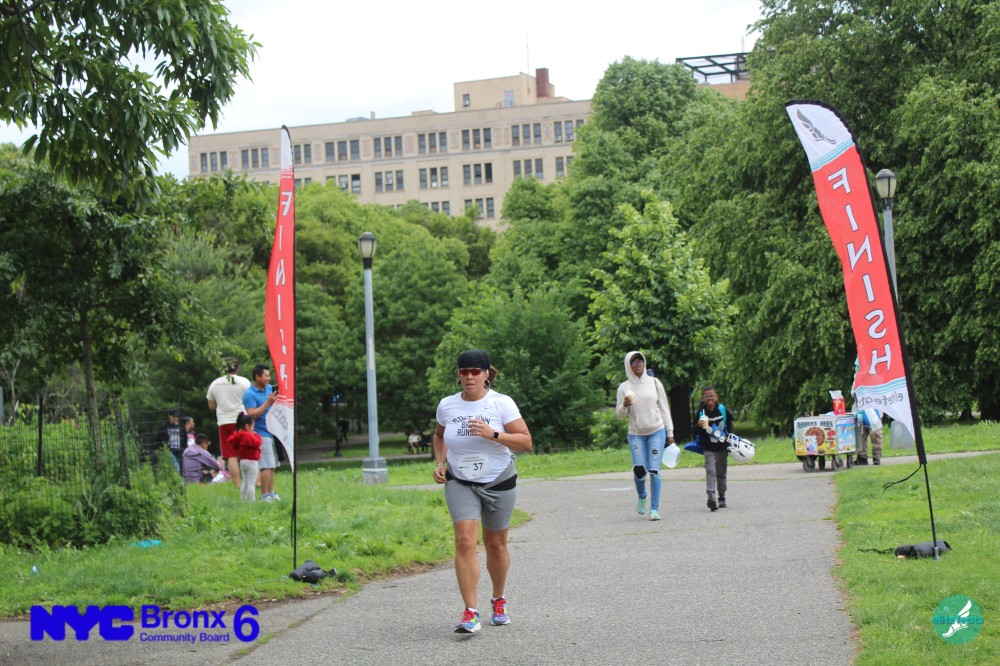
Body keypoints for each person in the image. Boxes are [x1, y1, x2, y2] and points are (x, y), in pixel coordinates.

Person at [432, 349, 532, 634]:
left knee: (496, 544)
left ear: (486, 373)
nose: (470, 377)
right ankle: (470, 612)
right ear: (458, 374)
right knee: (465, 540)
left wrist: (493, 434)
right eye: (464, 372)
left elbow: (526, 442)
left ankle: (498, 600)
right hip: (460, 481)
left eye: (475, 371)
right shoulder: (447, 405)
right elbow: (439, 435)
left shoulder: (501, 403)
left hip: (498, 480)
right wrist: (440, 462)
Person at [614, 351, 675, 521]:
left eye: (640, 360)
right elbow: (619, 415)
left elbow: (664, 408)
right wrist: (624, 405)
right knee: (640, 470)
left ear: (644, 362)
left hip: (656, 431)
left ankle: (654, 509)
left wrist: (669, 432)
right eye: (634, 362)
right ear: (628, 366)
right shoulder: (624, 388)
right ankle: (642, 496)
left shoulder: (654, 383)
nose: (638, 364)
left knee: (654, 470)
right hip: (636, 435)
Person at [206, 357, 251, 488]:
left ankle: (237, 485)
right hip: (242, 420)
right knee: (247, 452)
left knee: (231, 455)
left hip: (224, 422)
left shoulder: (215, 384)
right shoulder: (244, 382)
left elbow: (211, 406)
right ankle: (251, 481)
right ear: (237, 368)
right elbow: (250, 400)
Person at [692, 386, 733, 511]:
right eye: (706, 396)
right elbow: (693, 431)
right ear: (703, 399)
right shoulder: (701, 413)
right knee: (710, 472)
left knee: (721, 474)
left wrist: (730, 436)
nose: (709, 398)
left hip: (722, 446)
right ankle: (711, 498)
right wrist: (698, 426)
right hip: (708, 448)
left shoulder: (722, 409)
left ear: (716, 397)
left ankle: (722, 497)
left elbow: (729, 423)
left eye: (711, 395)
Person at [243, 364, 281, 501]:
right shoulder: (249, 394)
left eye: (269, 376)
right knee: (266, 465)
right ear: (257, 377)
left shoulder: (269, 389)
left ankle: (271, 493)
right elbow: (251, 414)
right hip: (261, 433)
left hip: (272, 432)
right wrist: (267, 403)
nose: (269, 379)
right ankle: (264, 495)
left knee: (273, 465)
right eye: (266, 376)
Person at [230, 412, 262, 502]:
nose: (253, 429)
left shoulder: (238, 434)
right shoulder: (249, 435)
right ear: (247, 426)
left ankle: (243, 499)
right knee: (251, 483)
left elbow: (234, 444)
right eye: (253, 427)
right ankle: (252, 501)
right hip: (252, 462)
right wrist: (255, 435)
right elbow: (258, 443)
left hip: (242, 461)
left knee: (244, 481)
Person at [158, 409, 183, 473]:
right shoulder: (164, 426)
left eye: (177, 417)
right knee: (177, 468)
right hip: (170, 450)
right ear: (170, 417)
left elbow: (185, 438)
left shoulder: (181, 426)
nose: (176, 418)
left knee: (181, 468)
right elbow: (160, 439)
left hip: (180, 450)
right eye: (174, 416)